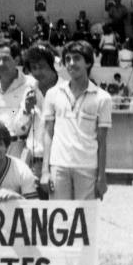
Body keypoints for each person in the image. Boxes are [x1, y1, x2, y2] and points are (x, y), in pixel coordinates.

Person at [41, 41, 112, 200]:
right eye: (67, 59)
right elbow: (48, 133)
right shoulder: (53, 94)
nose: (71, 63)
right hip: (58, 165)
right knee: (59, 219)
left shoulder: (102, 98)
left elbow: (102, 141)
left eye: (77, 58)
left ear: (88, 62)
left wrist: (102, 176)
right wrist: (45, 170)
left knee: (84, 220)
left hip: (87, 167)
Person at [0, 39, 35, 159]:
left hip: (22, 147)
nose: (0, 63)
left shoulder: (32, 84)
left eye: (5, 59)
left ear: (16, 60)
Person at [19, 41, 61, 197]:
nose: (37, 73)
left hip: (57, 162)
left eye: (42, 67)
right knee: (32, 215)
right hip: (32, 162)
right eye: (34, 68)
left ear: (55, 65)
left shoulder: (66, 91)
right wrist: (26, 110)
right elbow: (19, 128)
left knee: (57, 214)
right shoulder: (29, 91)